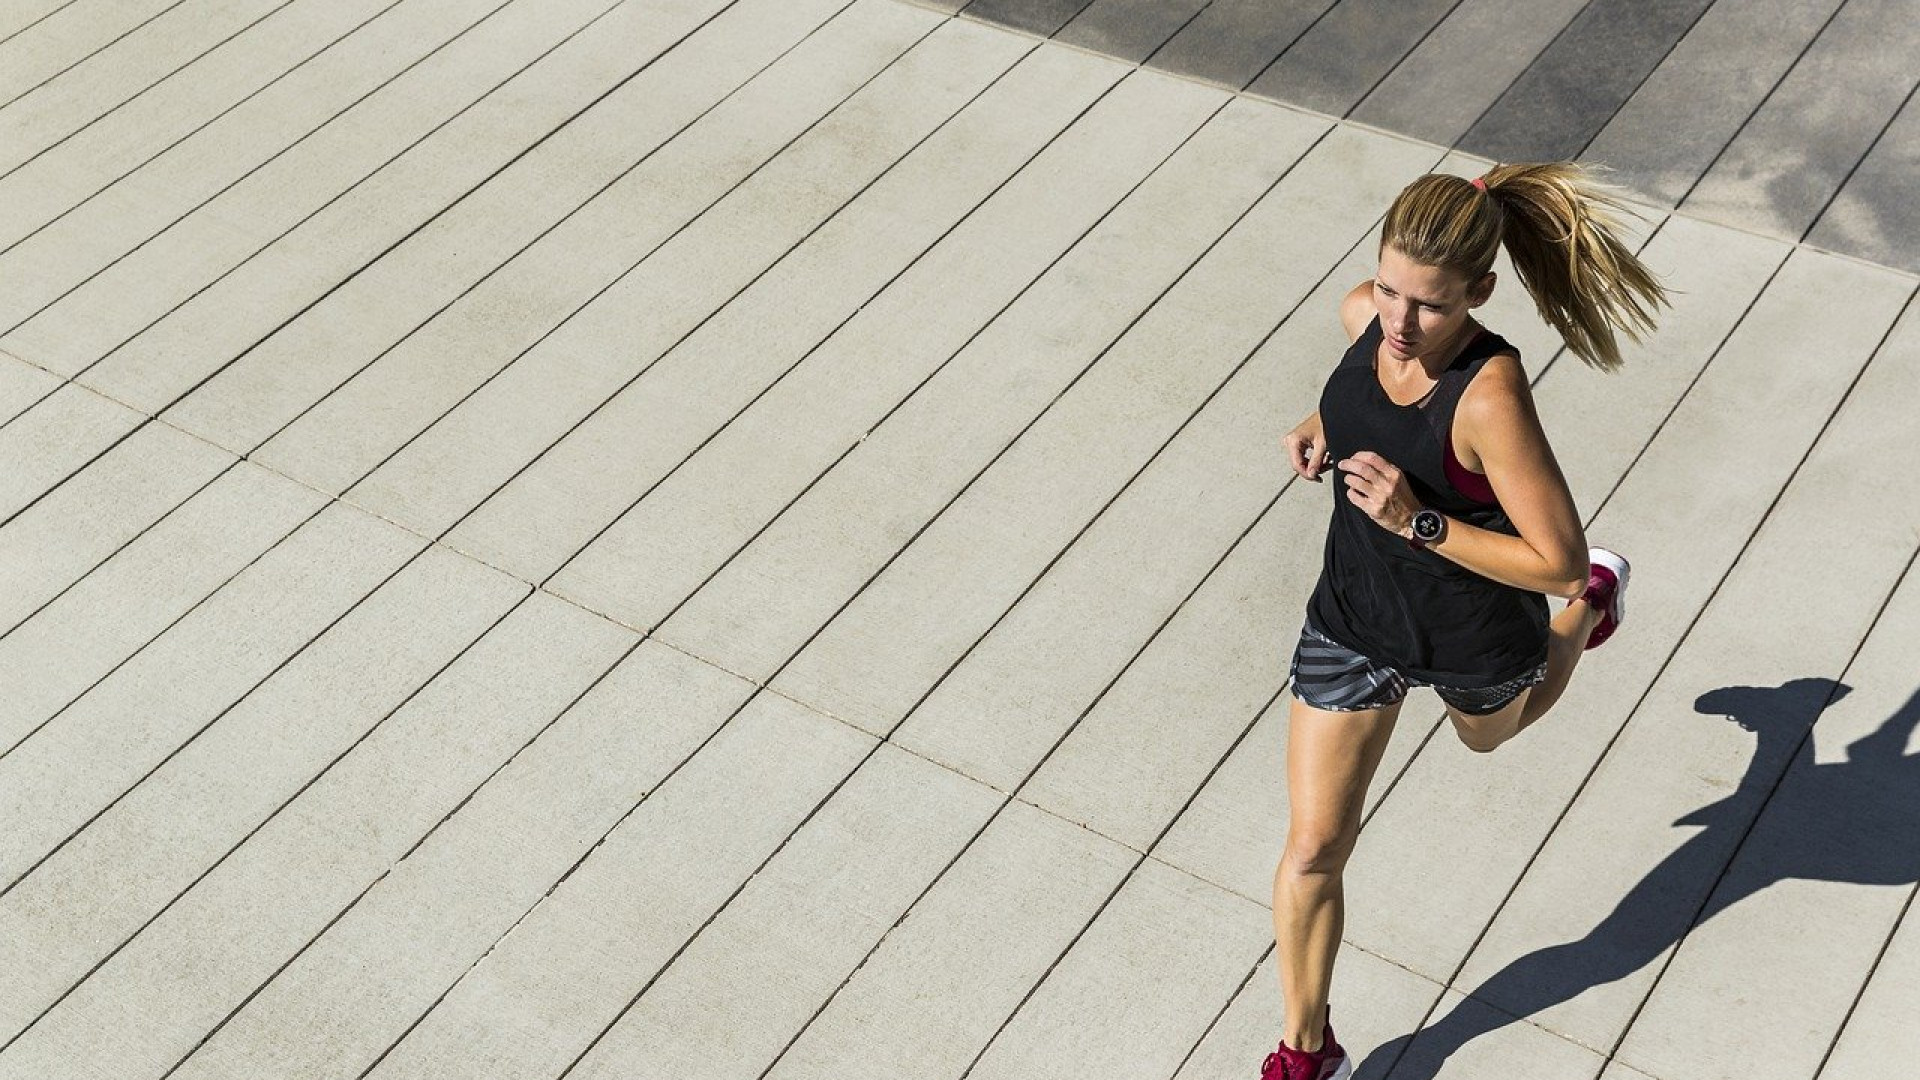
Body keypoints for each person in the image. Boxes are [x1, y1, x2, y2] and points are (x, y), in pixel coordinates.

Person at [1259, 164, 1669, 1080]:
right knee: (1315, 845)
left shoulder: (1489, 395)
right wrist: (1318, 417)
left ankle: (1590, 614)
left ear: (1480, 294)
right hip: (1355, 616)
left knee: (1493, 735)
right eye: (1393, 291)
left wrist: (1418, 521)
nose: (1399, 326)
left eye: (1430, 308)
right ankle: (1304, 1052)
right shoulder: (1369, 314)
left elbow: (1552, 554)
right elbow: (1360, 370)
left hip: (1472, 626)